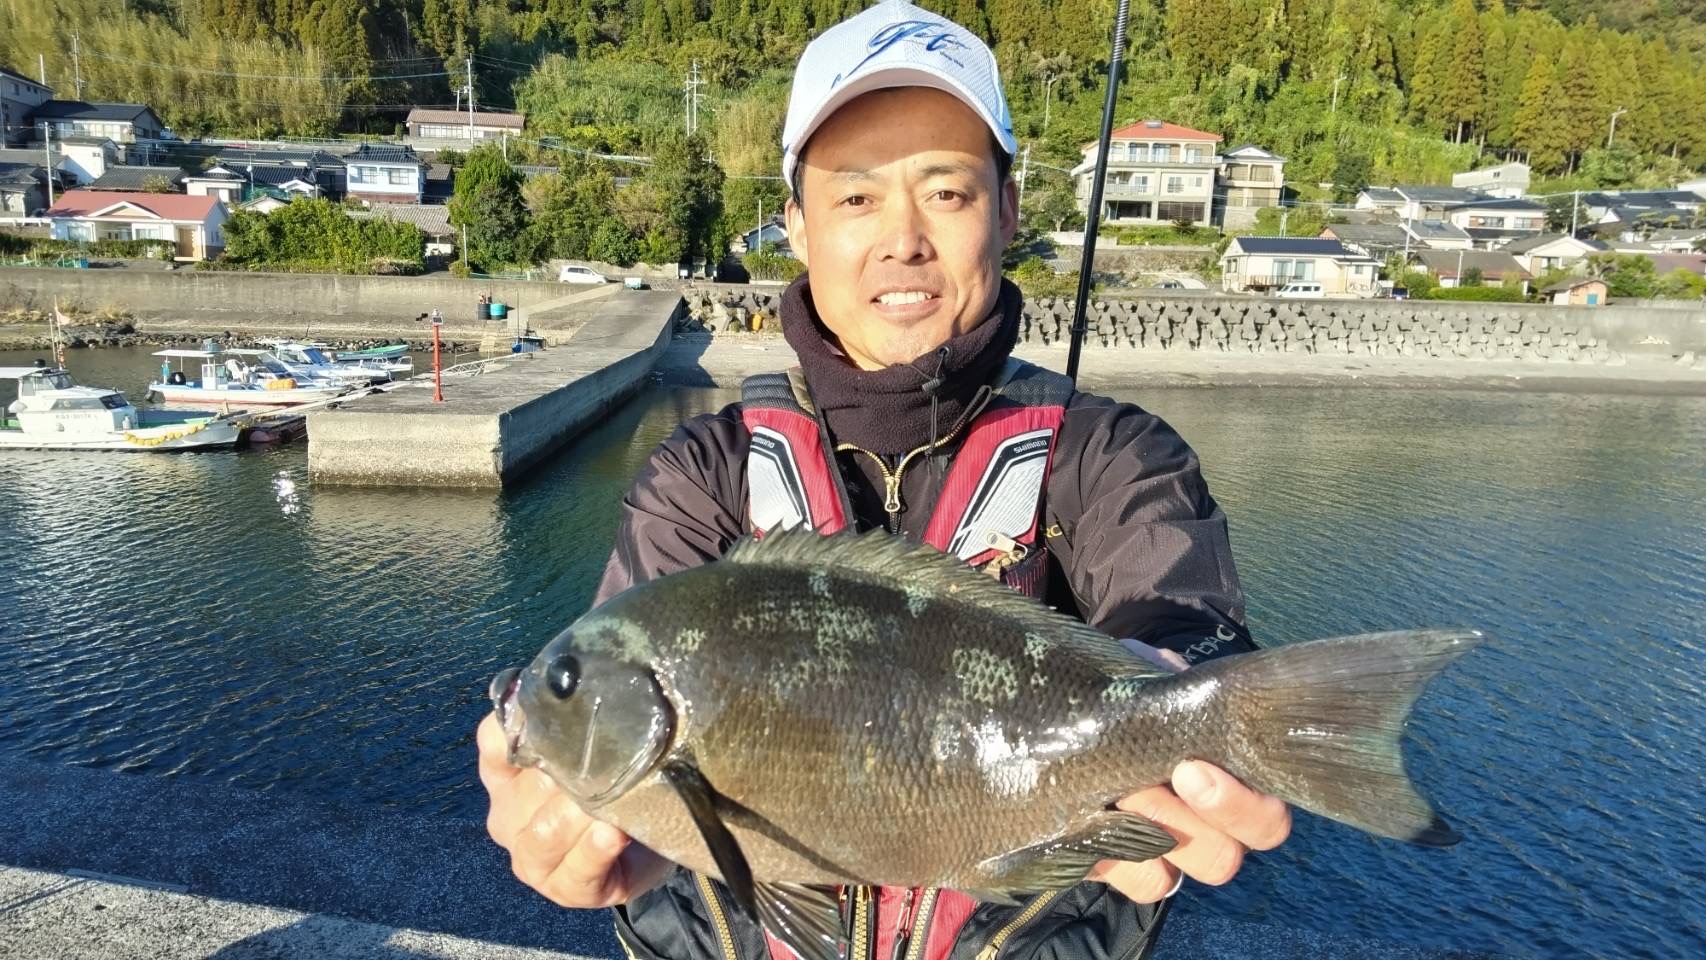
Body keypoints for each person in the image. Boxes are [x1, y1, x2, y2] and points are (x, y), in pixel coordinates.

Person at [477, 2, 1293, 956]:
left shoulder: (1115, 459)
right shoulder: (702, 475)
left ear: (1010, 208)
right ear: (796, 224)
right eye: (856, 197)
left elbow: (1190, 627)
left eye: (946, 193)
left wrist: (1203, 703)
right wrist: (592, 839)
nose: (903, 238)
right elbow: (625, 719)